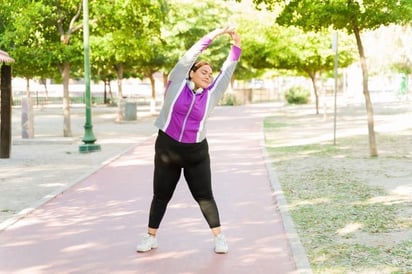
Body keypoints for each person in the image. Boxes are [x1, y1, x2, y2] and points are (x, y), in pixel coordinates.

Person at [136, 26, 241, 254]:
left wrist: (236, 44)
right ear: (191, 72)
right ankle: (150, 237)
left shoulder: (212, 94)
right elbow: (188, 57)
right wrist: (215, 34)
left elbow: (227, 70)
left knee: (204, 196)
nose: (208, 75)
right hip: (167, 149)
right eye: (204, 71)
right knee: (161, 195)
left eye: (210, 73)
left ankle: (219, 237)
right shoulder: (176, 85)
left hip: (196, 154)